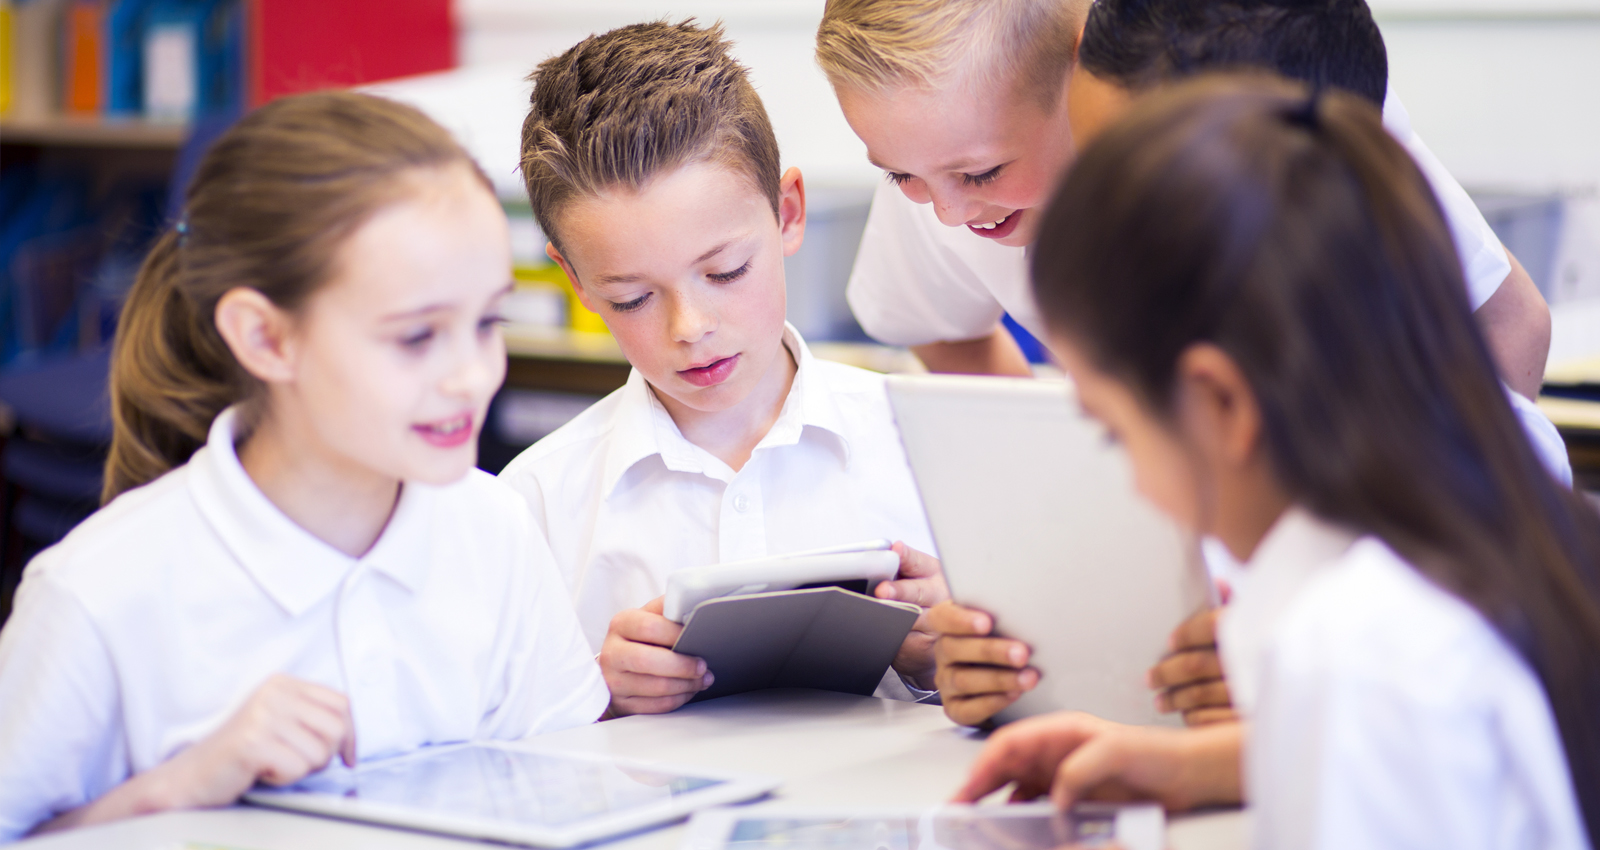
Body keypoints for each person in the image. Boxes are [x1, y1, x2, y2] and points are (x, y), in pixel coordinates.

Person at [847, 0, 1572, 727]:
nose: (941, 212)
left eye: (980, 172)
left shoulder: (1272, 89)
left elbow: (1377, 709)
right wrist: (1032, 602)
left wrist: (1266, 670)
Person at [954, 74, 1600, 850]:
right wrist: (1195, 766)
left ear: (1221, 405)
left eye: (1119, 436)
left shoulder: (1357, 650)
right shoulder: (1502, 531)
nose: (1134, 486)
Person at [0, 91, 608, 839]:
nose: (472, 376)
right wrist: (178, 788)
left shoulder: (495, 528)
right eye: (417, 337)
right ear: (265, 338)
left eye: (486, 323)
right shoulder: (97, 594)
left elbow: (575, 787)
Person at [498, 21, 948, 718]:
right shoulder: (534, 503)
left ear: (787, 212)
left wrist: (941, 661)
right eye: (633, 298)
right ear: (577, 282)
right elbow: (502, 745)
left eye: (727, 270)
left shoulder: (926, 445)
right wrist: (598, 697)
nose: (691, 328)